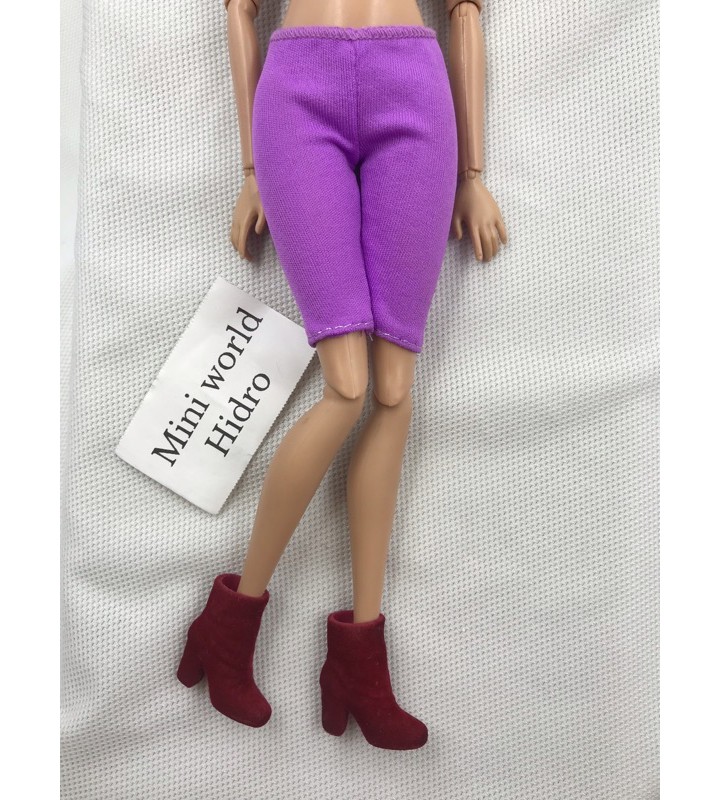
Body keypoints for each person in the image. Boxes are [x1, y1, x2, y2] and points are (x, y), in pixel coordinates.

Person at [177, 0, 507, 751]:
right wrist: (251, 170)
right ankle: (229, 622)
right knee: (348, 386)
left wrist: (473, 174)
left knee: (393, 390)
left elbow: (464, 13)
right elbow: (240, 9)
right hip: (299, 94)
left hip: (414, 94)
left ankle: (359, 660)